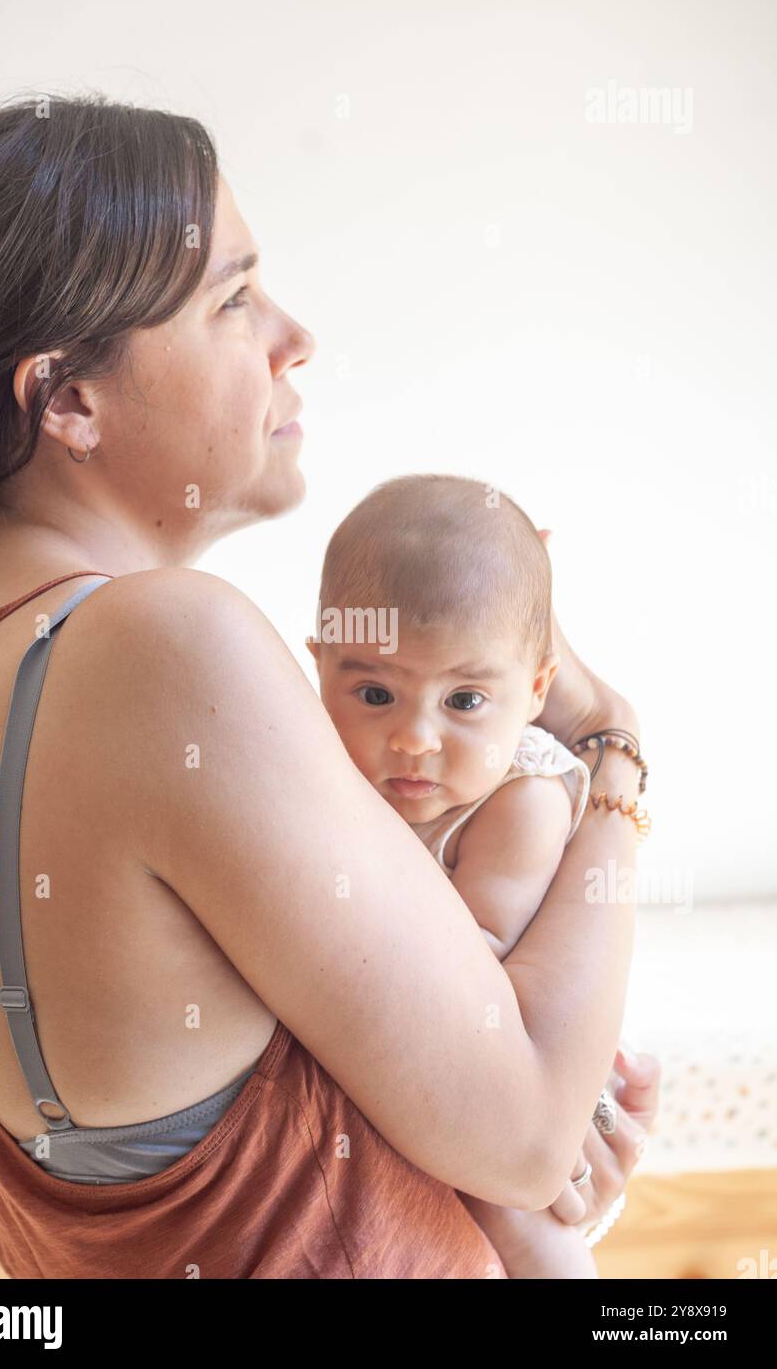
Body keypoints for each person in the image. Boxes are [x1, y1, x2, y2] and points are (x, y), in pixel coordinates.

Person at [0, 94, 660, 1279]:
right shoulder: (156, 650)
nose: (293, 337)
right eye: (233, 299)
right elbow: (524, 1132)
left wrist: (523, 1168)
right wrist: (614, 744)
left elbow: (462, 1145)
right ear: (67, 401)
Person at [307, 473, 651, 1276]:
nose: (415, 739)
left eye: (463, 699)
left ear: (534, 691)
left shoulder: (519, 797)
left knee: (529, 1238)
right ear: (317, 665)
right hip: (420, 1066)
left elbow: (468, 957)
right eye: (374, 692)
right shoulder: (323, 763)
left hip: (505, 1048)